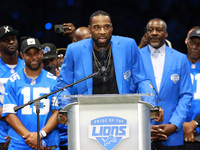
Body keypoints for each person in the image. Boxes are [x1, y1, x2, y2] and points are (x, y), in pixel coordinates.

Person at [140, 18, 193, 149]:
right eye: (150, 30)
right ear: (146, 34)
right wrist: (143, 125)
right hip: (143, 132)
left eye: (158, 30)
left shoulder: (180, 59)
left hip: (172, 134)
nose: (154, 33)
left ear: (166, 34)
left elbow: (186, 95)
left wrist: (174, 125)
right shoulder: (136, 56)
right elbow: (129, 93)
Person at [2, 37, 60, 150]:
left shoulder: (53, 81)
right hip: (20, 143)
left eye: (36, 53)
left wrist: (40, 134)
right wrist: (30, 138)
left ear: (42, 54)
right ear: (22, 56)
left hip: (47, 142)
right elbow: (9, 114)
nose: (33, 57)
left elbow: (57, 113)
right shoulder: (13, 81)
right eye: (28, 54)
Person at [0, 25, 25, 150]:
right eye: (6, 39)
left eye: (13, 38)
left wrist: (18, 131)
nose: (11, 41)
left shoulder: (28, 67)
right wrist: (14, 124)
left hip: (24, 134)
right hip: (1, 135)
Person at [182, 28, 200, 149]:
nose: (195, 47)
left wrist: (194, 124)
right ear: (187, 42)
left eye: (199, 44)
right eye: (192, 42)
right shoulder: (176, 63)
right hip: (178, 131)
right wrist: (181, 125)